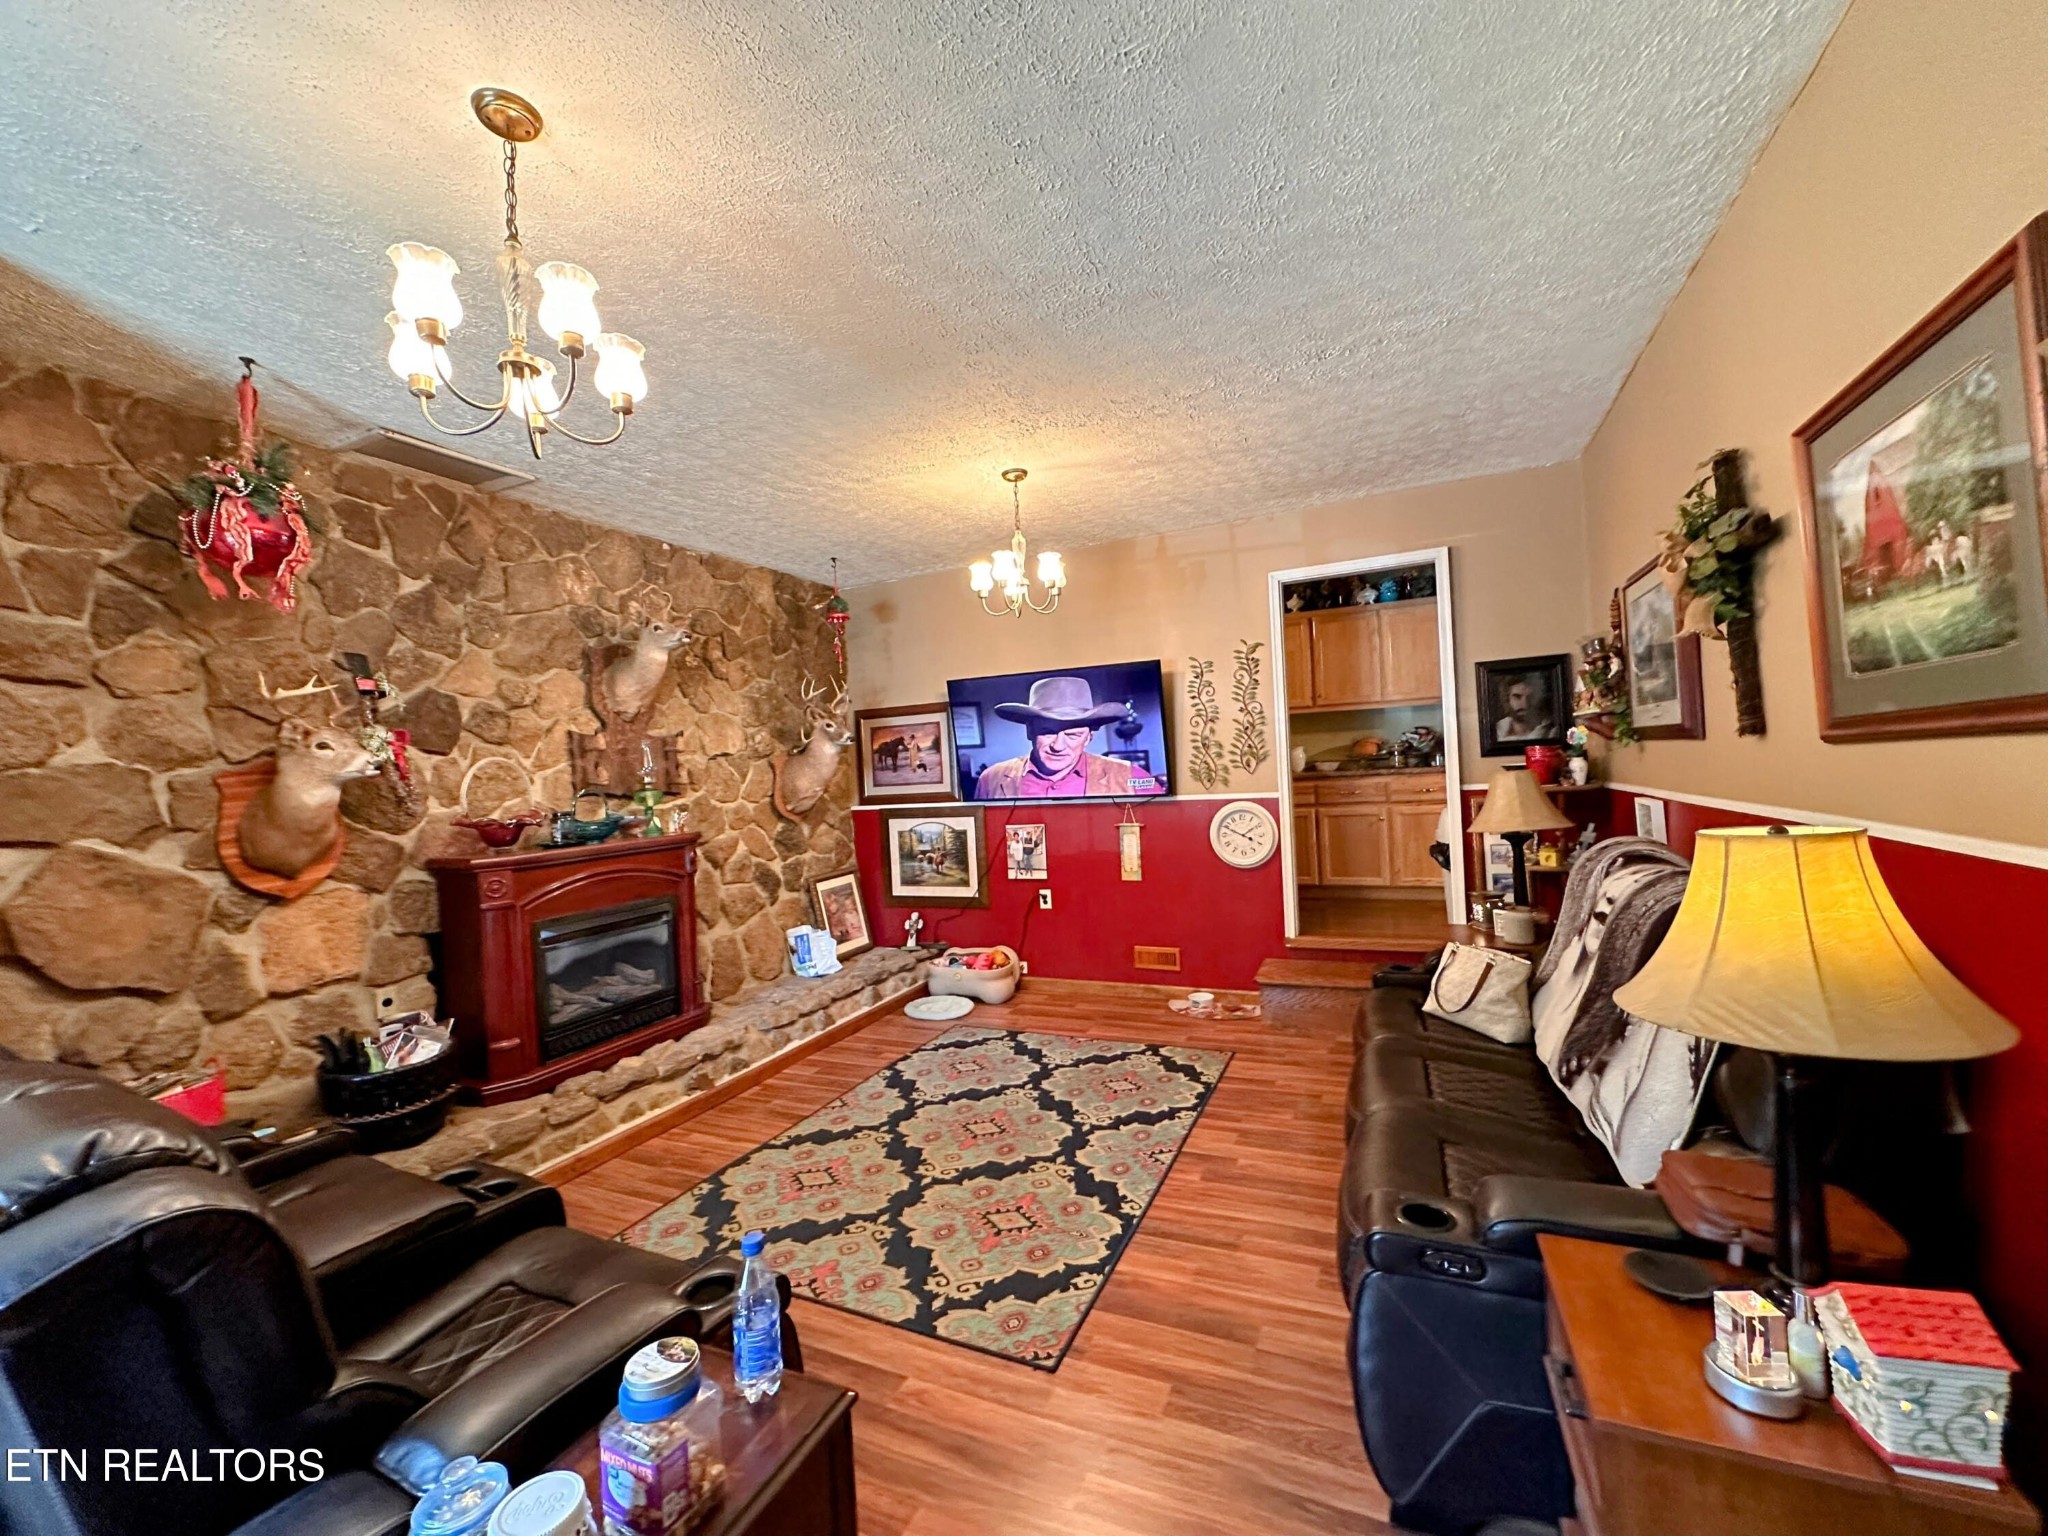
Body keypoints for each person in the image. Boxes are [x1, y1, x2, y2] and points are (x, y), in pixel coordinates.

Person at [972, 677, 1160, 798]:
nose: (1058, 746)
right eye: (1048, 732)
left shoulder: (1132, 777)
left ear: (1089, 737)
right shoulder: (991, 779)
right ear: (1030, 731)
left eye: (1073, 735)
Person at [1494, 676, 1555, 743]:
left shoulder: (1551, 733)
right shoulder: (1496, 731)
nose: (1524, 703)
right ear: (1507, 700)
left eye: (1530, 697)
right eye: (1517, 697)